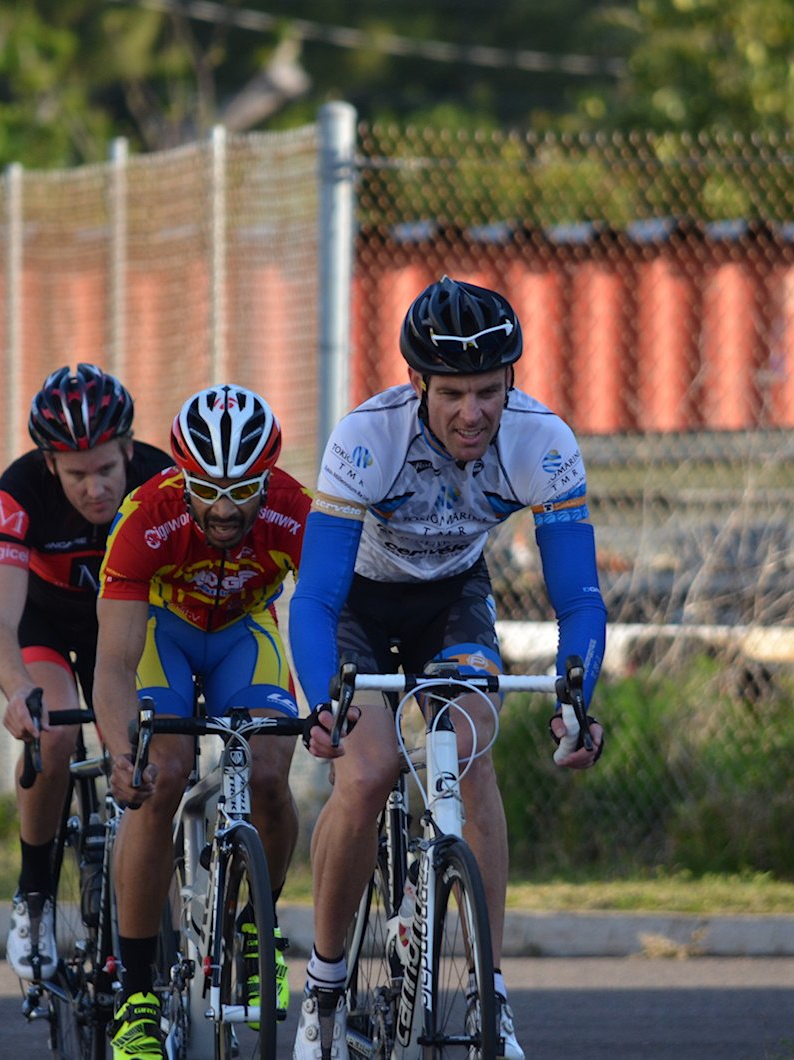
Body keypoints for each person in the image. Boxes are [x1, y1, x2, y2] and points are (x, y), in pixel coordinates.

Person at [288, 276, 609, 1060]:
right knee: (364, 776)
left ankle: (489, 994)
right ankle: (325, 995)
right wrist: (324, 703)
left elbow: (580, 600)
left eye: (490, 392)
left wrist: (576, 701)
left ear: (512, 384)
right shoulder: (367, 437)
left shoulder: (544, 441)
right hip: (357, 603)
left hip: (451, 596)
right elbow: (316, 597)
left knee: (469, 757)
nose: (474, 413)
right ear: (418, 384)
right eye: (455, 393)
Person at [94, 384, 312, 1060]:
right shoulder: (144, 517)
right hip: (167, 633)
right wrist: (119, 750)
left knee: (273, 774)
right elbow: (113, 663)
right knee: (163, 778)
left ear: (268, 477)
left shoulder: (296, 510)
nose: (222, 508)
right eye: (205, 488)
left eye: (243, 489)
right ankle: (136, 996)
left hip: (246, 631)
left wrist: (336, 706)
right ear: (179, 474)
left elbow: (327, 615)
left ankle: (258, 930)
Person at [0, 363, 173, 982]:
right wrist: (19, 692)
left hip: (123, 630)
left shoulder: (162, 478)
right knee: (55, 732)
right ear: (49, 464)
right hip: (47, 626)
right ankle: (33, 898)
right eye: (75, 474)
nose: (94, 489)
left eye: (106, 469)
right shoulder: (20, 492)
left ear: (127, 449)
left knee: (149, 756)